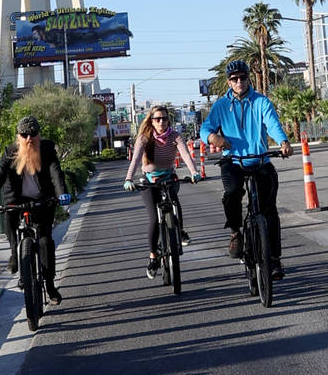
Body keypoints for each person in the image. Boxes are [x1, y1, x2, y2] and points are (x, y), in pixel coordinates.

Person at [198, 59, 292, 277]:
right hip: (233, 162)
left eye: (242, 77)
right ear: (229, 82)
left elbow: (273, 124)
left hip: (260, 161)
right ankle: (235, 232)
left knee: (269, 211)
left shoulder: (261, 102)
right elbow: (206, 127)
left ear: (248, 78)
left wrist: (284, 142)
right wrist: (213, 137)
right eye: (234, 79)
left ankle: (274, 259)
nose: (239, 82)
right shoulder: (221, 105)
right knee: (232, 193)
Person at [0, 116, 72, 305]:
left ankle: (49, 284)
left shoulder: (46, 149)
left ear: (39, 135)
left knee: (45, 240)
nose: (29, 139)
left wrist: (62, 193)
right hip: (16, 200)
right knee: (10, 225)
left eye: (33, 134)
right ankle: (15, 255)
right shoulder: (10, 152)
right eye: (24, 135)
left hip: (42, 200)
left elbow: (56, 173)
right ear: (18, 136)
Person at [123, 105, 201, 279]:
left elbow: (186, 155)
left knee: (174, 202)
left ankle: (179, 231)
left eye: (164, 118)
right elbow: (135, 160)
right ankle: (153, 257)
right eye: (157, 119)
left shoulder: (175, 136)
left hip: (168, 176)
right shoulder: (144, 138)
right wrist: (129, 179)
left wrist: (194, 172)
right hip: (149, 180)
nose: (161, 122)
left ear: (169, 120)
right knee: (153, 219)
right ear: (151, 121)